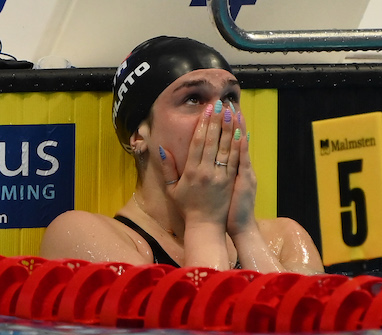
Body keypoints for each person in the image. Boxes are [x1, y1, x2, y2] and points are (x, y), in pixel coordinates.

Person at [39, 36, 323, 274]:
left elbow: (294, 320)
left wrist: (245, 232)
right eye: (193, 98)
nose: (221, 115)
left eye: (229, 98)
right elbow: (199, 322)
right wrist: (204, 222)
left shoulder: (284, 239)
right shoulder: (79, 236)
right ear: (138, 134)